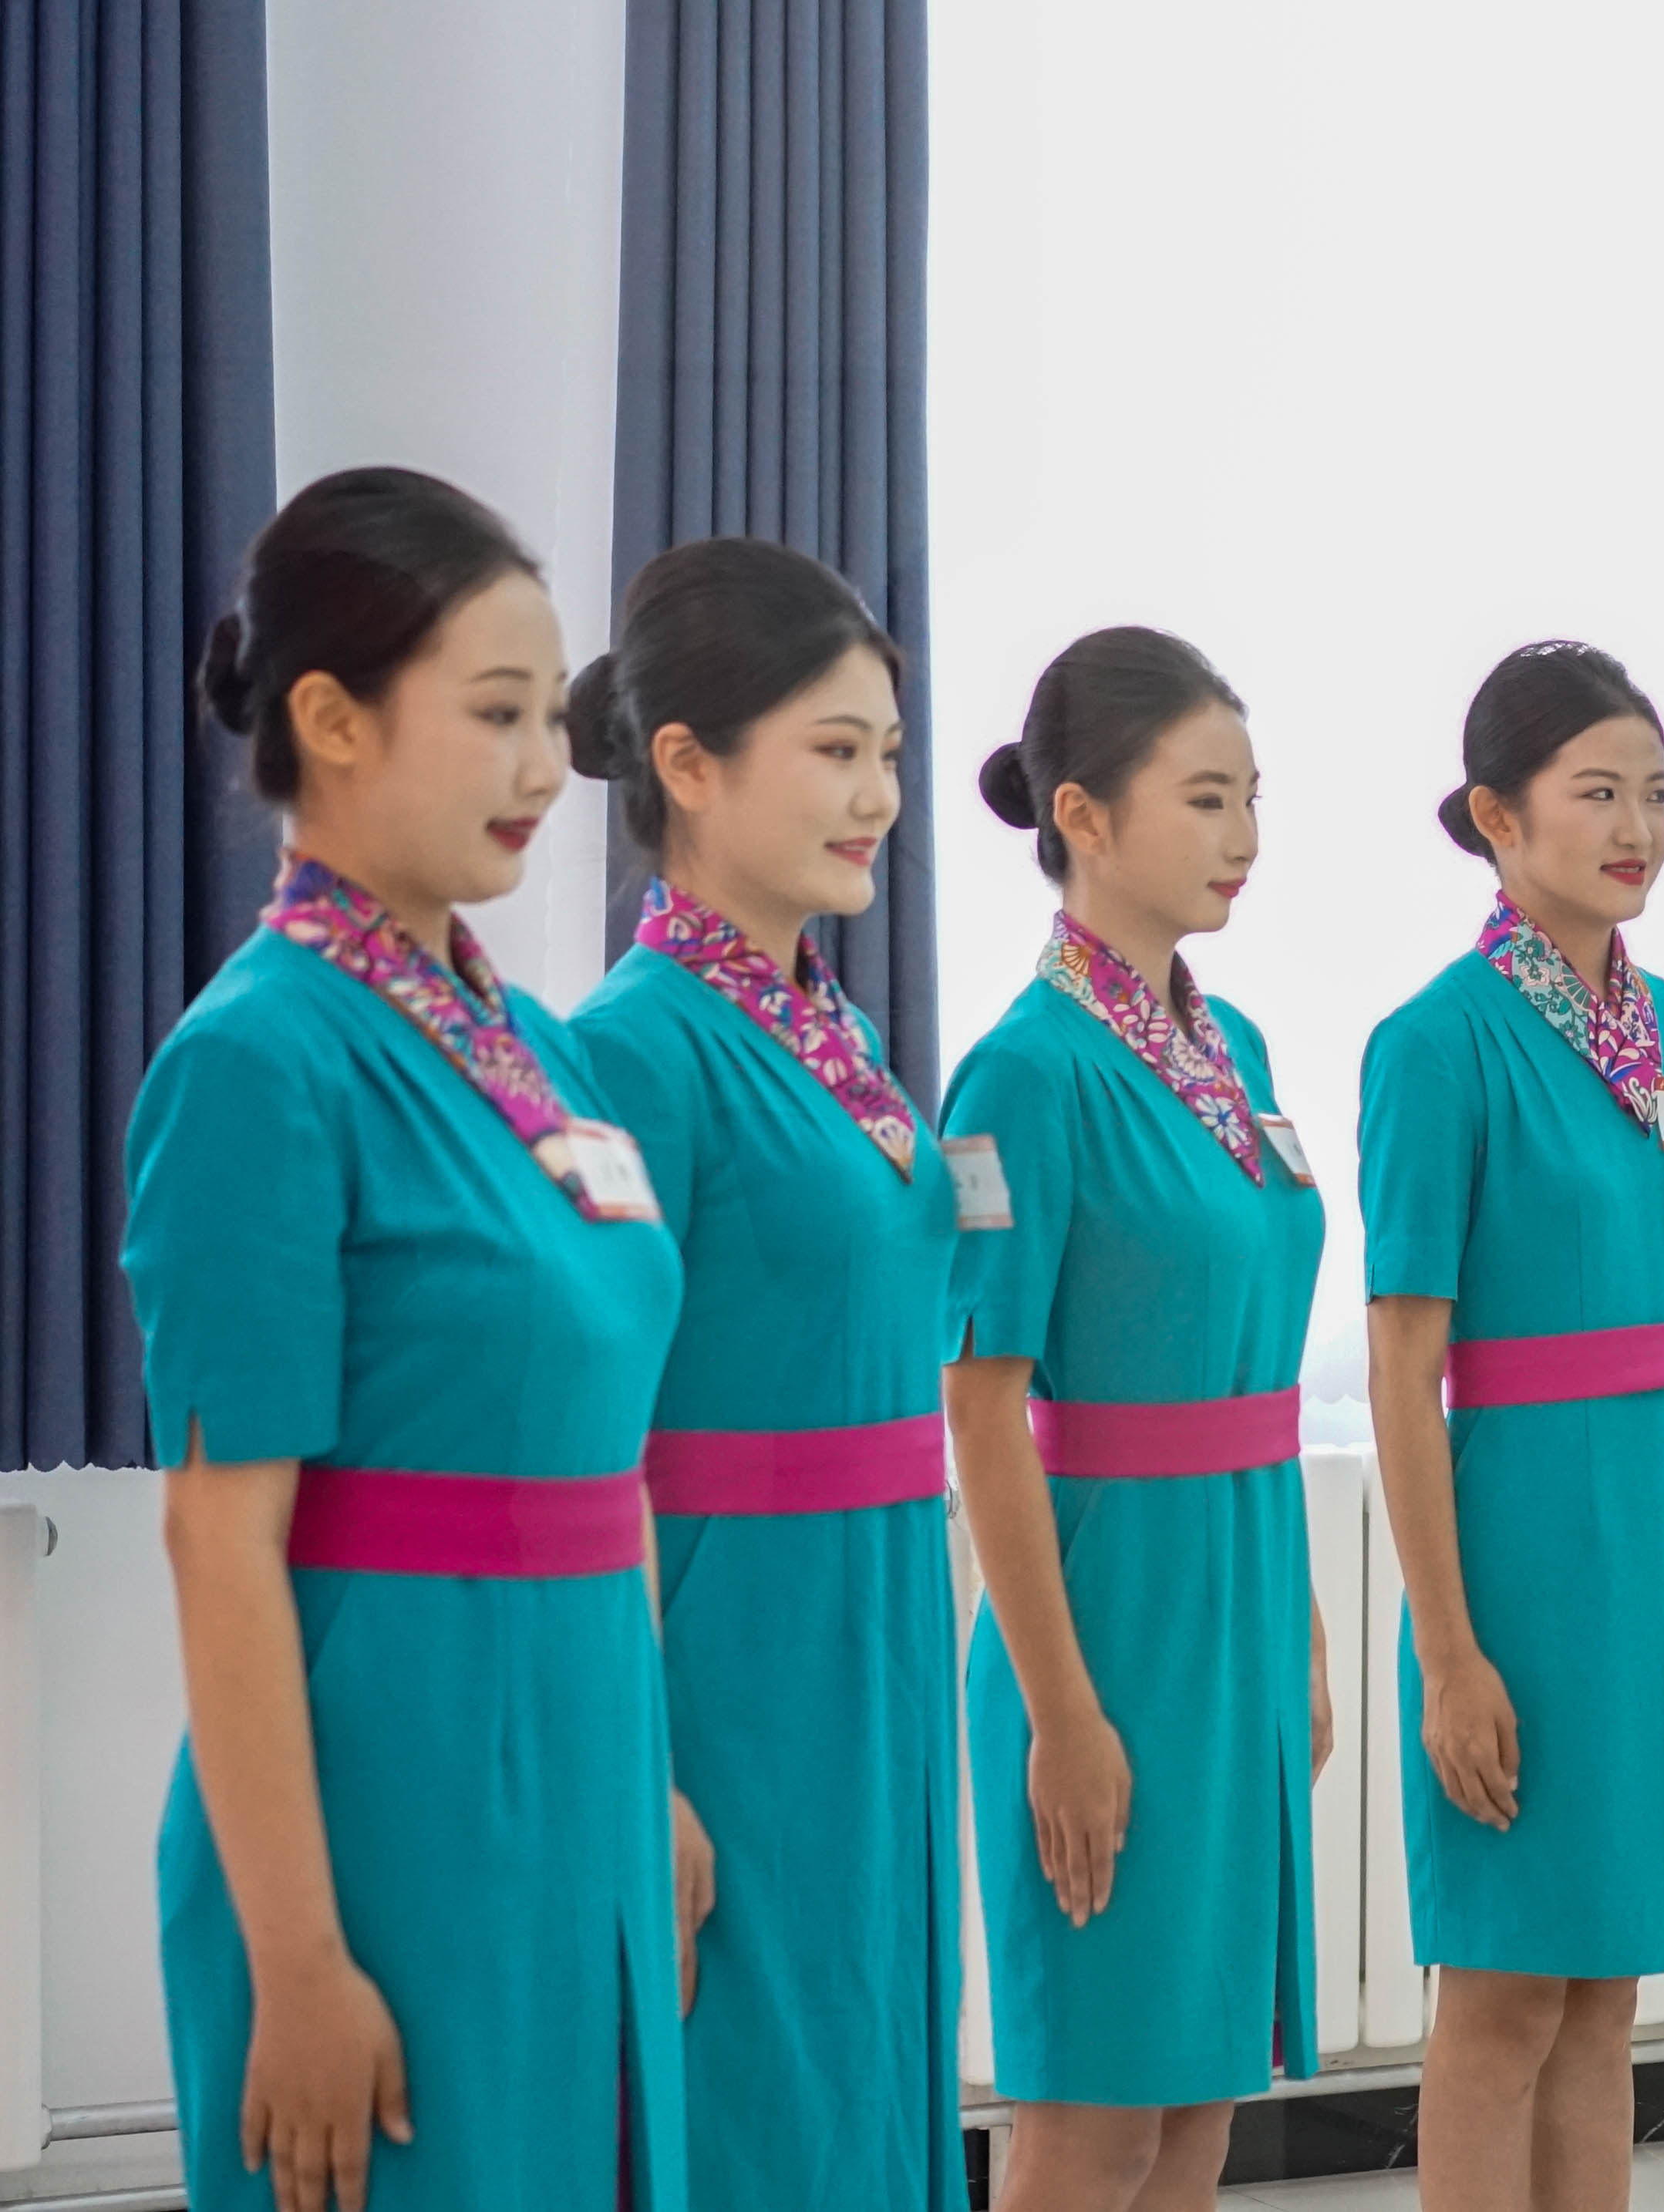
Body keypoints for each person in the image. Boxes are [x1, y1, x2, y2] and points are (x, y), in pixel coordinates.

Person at [129, 465, 693, 2210]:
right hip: (398, 1792)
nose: (546, 767)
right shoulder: (258, 1061)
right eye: (497, 713)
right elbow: (221, 1537)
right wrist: (299, 1963)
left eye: (548, 718)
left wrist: (654, 1777)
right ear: (331, 719)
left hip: (587, 1765)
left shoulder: (542, 1049)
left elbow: (608, 1448)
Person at [561, 536, 963, 2212]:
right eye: (834, 749)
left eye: (889, 753)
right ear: (687, 762)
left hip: (879, 1630)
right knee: (762, 2104)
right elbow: (590, 1440)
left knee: (872, 2070)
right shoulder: (631, 1049)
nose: (878, 797)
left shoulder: (841, 1035)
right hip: (736, 1653)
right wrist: (637, 1763)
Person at [1359, 641, 1664, 2210]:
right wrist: (1448, 1651)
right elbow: (1402, 1365)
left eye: (1657, 792)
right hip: (1525, 1560)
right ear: (1496, 815)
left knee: (1607, 1993)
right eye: (1598, 792)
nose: (1638, 827)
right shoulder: (1433, 1045)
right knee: (1505, 1995)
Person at [947, 628, 1329, 2212]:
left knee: (1197, 2110)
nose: (1244, 835)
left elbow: (1258, 1387)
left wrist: (1301, 1627)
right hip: (1102, 1622)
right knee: (1092, 2113)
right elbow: (980, 1408)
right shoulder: (1019, 1078)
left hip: (1238, 1609)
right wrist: (1061, 1712)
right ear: (1085, 816)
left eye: (1252, 796)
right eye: (1205, 797)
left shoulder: (1234, 1051)